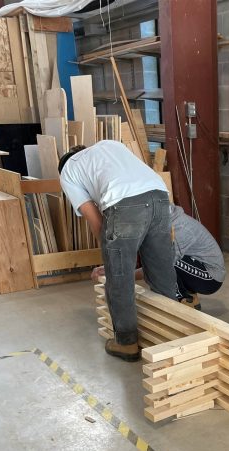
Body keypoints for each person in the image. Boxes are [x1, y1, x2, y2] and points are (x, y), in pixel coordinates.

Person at [58, 140, 177, 362]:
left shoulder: (67, 172)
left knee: (119, 277)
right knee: (162, 271)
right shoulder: (109, 145)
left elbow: (96, 221)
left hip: (124, 203)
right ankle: (172, 335)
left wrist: (110, 257)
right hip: (160, 195)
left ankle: (126, 343)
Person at [92, 203, 226, 310]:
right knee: (161, 259)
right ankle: (188, 296)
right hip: (197, 268)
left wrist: (123, 275)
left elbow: (160, 266)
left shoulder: (179, 229)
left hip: (211, 278)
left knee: (165, 262)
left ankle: (182, 303)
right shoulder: (164, 222)